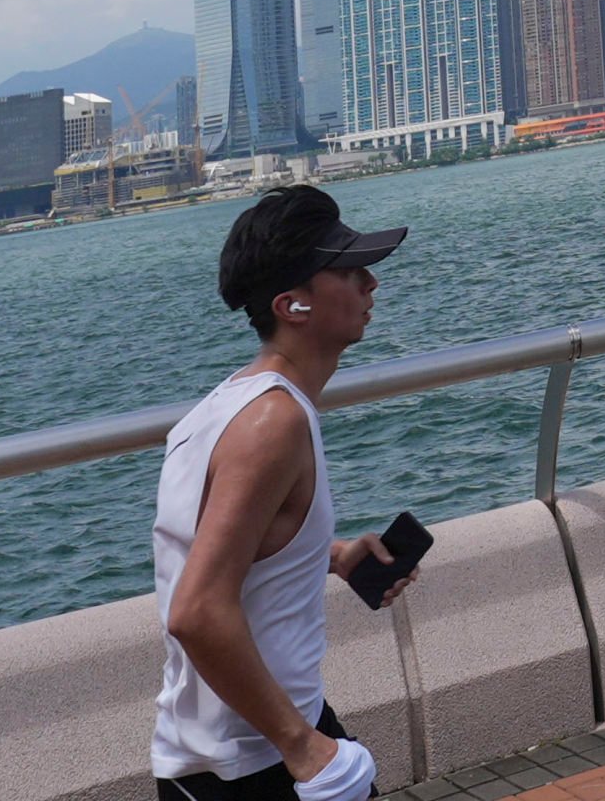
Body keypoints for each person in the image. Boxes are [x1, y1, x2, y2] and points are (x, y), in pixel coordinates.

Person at [152, 186, 417, 801]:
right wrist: (303, 746)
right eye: (349, 271)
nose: (371, 283)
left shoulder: (225, 407)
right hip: (253, 763)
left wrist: (328, 554)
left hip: (254, 742)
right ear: (292, 305)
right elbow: (195, 611)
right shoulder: (274, 424)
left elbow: (216, 547)